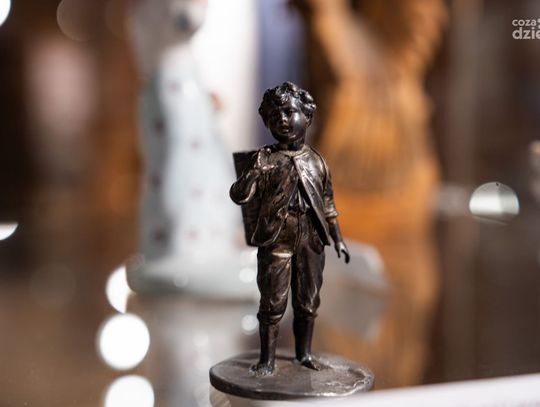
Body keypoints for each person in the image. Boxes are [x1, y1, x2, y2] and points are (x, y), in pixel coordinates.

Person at [230, 82, 350, 376]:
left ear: (306, 117)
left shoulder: (317, 161)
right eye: (274, 117)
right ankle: (267, 360)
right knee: (272, 302)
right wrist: (253, 173)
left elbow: (328, 204)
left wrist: (338, 238)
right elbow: (238, 195)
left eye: (289, 112)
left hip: (311, 238)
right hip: (276, 239)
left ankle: (304, 354)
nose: (282, 120)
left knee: (308, 301)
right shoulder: (264, 159)